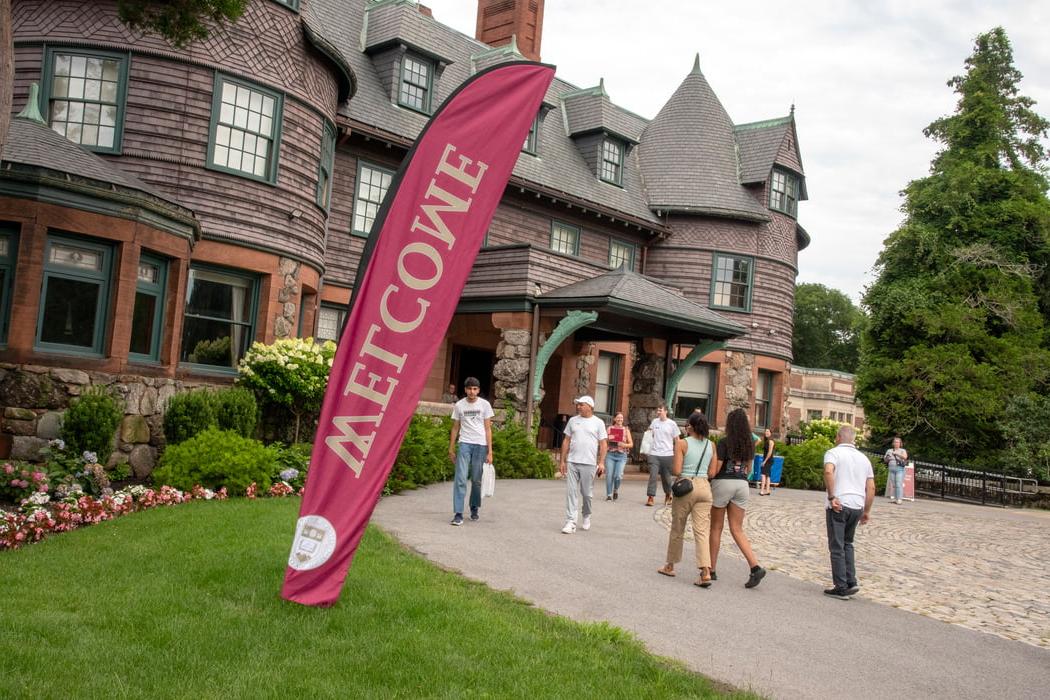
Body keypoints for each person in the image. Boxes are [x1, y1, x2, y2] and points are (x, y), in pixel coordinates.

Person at [708, 408, 767, 588]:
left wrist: (708, 477)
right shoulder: (748, 444)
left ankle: (711, 569)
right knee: (737, 529)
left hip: (723, 483)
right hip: (742, 485)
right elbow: (749, 469)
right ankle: (755, 566)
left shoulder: (724, 442)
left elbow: (716, 469)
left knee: (716, 528)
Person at [657, 411, 715, 586]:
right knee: (702, 531)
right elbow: (712, 472)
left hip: (686, 486)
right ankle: (705, 571)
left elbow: (676, 469)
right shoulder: (711, 445)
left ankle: (670, 565)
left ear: (690, 426)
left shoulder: (682, 443)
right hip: (705, 487)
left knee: (678, 527)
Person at [823, 424, 875, 599]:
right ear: (853, 439)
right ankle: (851, 580)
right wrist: (866, 510)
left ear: (838, 437)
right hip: (857, 504)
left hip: (840, 502)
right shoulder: (864, 459)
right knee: (848, 543)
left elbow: (828, 471)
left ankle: (841, 585)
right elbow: (871, 487)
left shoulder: (833, 453)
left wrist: (832, 496)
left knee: (837, 545)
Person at [447, 377, 494, 526]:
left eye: (475, 389)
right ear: (465, 390)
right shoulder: (459, 405)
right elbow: (455, 427)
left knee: (476, 480)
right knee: (460, 478)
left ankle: (474, 507)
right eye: (469, 389)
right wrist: (451, 448)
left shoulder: (484, 405)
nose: (472, 392)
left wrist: (490, 451)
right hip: (464, 444)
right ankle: (458, 513)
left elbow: (488, 428)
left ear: (478, 390)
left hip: (480, 445)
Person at [559, 396, 608, 534]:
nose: (578, 407)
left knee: (586, 494)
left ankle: (586, 514)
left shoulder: (598, 423)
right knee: (571, 492)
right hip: (573, 461)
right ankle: (571, 521)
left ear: (590, 406)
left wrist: (601, 462)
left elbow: (603, 444)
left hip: (589, 463)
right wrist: (562, 461)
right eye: (578, 405)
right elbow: (566, 441)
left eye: (581, 404)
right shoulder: (573, 421)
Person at [645, 404, 679, 506]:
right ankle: (650, 497)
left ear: (666, 411)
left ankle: (668, 494)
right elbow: (649, 434)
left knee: (666, 478)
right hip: (654, 453)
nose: (658, 412)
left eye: (660, 410)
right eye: (658, 410)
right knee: (653, 476)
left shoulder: (672, 424)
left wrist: (678, 454)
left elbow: (677, 440)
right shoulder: (654, 422)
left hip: (667, 454)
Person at [604, 412, 633, 501]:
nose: (620, 419)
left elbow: (631, 444)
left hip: (621, 456)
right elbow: (604, 441)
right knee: (609, 475)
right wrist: (610, 439)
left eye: (621, 418)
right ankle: (609, 495)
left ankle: (615, 489)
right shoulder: (609, 429)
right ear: (614, 419)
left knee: (618, 475)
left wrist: (624, 445)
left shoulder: (626, 430)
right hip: (610, 455)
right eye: (618, 417)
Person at [883, 436, 908, 504]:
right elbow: (885, 460)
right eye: (895, 442)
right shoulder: (889, 450)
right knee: (894, 484)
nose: (896, 443)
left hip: (899, 469)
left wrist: (897, 453)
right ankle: (896, 499)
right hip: (891, 469)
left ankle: (899, 499)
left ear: (900, 443)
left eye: (898, 442)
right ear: (893, 443)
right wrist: (887, 458)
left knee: (898, 484)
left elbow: (905, 457)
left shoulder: (902, 450)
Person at [758, 428, 776, 496]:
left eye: (768, 431)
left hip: (768, 460)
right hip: (768, 460)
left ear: (771, 433)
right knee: (768, 476)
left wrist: (764, 461)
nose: (766, 432)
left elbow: (770, 452)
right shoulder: (767, 441)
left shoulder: (771, 441)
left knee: (763, 475)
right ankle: (767, 491)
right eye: (765, 431)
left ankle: (762, 491)